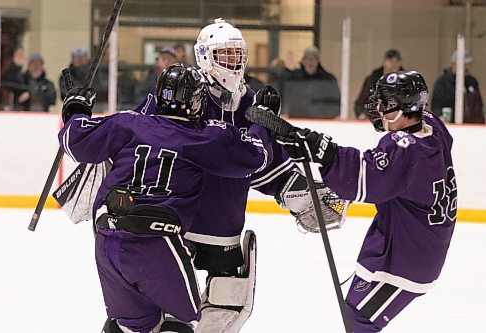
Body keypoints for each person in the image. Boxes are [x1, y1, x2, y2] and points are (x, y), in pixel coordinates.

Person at [135, 18, 340, 331]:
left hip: (223, 221)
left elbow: (265, 161)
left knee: (229, 301)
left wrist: (301, 195)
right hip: (177, 219)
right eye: (225, 54)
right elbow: (141, 134)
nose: (234, 61)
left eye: (237, 53)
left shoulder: (250, 101)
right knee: (166, 303)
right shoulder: (180, 91)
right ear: (204, 55)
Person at [59, 64, 273, 333]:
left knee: (131, 327)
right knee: (179, 325)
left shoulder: (127, 122)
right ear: (196, 101)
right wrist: (263, 121)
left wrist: (75, 108)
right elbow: (255, 157)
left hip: (107, 239)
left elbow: (73, 139)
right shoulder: (202, 138)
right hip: (156, 244)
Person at [277, 70, 457, 332]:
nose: (379, 108)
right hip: (411, 242)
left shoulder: (406, 150)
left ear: (402, 108)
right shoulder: (433, 127)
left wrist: (324, 153)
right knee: (353, 310)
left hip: (407, 259)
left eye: (385, 102)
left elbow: (368, 178)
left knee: (358, 318)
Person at [279, 46, 340, 118]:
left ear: (318, 61)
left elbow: (336, 104)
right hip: (297, 121)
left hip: (321, 123)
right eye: (307, 58)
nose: (310, 61)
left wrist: (324, 116)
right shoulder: (293, 79)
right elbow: (284, 95)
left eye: (313, 58)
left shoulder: (328, 79)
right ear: (303, 61)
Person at [431, 50, 484, 124]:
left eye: (469, 64)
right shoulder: (442, 82)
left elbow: (479, 105)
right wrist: (440, 117)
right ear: (454, 64)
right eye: (464, 64)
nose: (467, 67)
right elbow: (436, 106)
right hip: (450, 124)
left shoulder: (472, 81)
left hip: (471, 125)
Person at [354, 49, 403, 119]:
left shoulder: (405, 81)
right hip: (374, 119)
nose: (393, 64)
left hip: (399, 120)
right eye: (390, 61)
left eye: (396, 61)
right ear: (384, 62)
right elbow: (361, 102)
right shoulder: (372, 79)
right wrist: (361, 114)